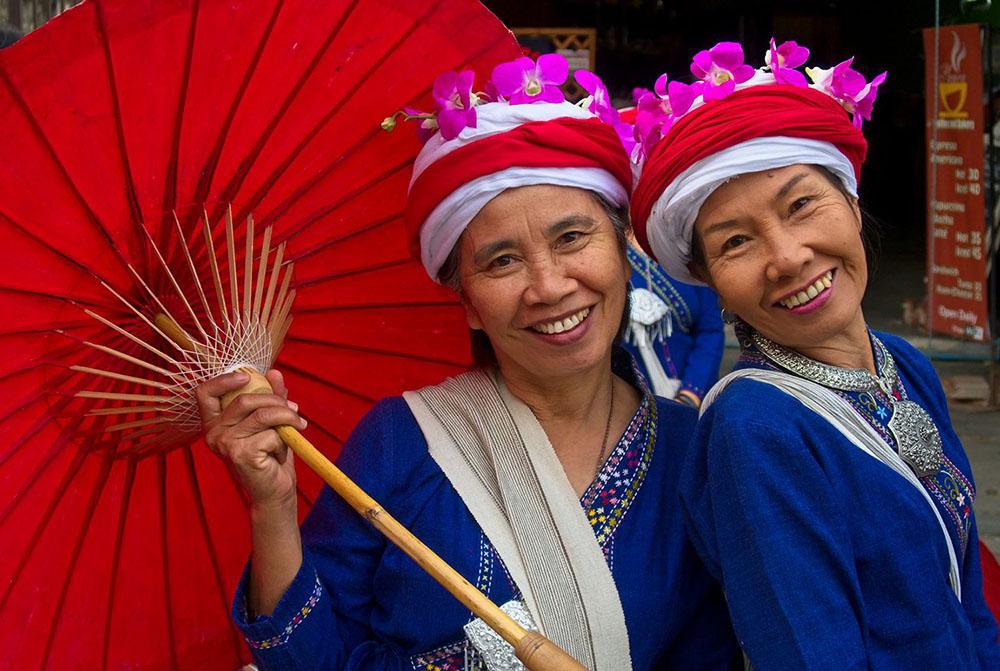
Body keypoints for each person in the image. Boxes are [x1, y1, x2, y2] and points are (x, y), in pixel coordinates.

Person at [197, 55, 738, 670]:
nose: (549, 286)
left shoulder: (690, 451)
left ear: (622, 251)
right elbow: (303, 661)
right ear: (469, 303)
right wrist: (271, 509)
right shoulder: (404, 441)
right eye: (502, 261)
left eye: (571, 239)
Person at [630, 39, 1000, 669]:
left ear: (853, 206)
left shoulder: (903, 364)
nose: (788, 257)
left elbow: (968, 601)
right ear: (712, 281)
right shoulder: (756, 430)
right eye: (736, 242)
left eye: (802, 205)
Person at [622, 241, 724, 406]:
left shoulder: (683, 249)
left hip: (694, 398)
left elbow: (710, 330)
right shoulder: (611, 252)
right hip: (630, 402)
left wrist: (690, 395)